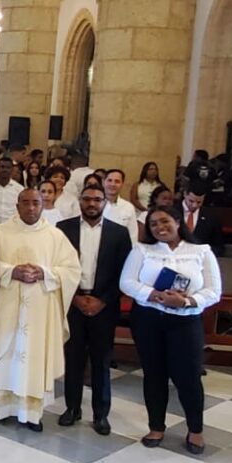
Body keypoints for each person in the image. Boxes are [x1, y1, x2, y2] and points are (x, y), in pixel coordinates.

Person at [122, 206, 222, 454]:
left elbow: (214, 291)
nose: (159, 227)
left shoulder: (201, 251)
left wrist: (187, 302)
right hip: (149, 319)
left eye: (164, 221)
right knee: (154, 374)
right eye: (153, 224)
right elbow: (127, 282)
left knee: (188, 377)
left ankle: (195, 430)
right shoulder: (142, 250)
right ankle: (156, 426)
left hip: (185, 322)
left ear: (178, 222)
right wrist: (153, 295)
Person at [0, 189, 81, 430]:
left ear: (43, 205)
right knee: (4, 354)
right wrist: (11, 271)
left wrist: (44, 273)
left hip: (39, 311)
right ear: (17, 206)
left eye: (36, 203)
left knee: (33, 359)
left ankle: (31, 413)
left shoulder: (55, 236)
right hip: (6, 308)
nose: (31, 208)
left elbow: (72, 270)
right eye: (25, 203)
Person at [55, 184, 132, 435]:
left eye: (97, 200)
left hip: (104, 305)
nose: (92, 204)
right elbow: (57, 267)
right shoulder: (63, 229)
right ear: (79, 201)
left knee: (101, 360)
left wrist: (103, 300)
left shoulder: (119, 234)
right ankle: (72, 408)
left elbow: (124, 273)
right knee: (74, 358)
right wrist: (75, 297)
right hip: (73, 303)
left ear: (104, 203)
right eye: (87, 199)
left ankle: (101, 414)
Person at [101, 169, 141, 244]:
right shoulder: (95, 204)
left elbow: (133, 235)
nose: (113, 184)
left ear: (122, 184)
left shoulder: (128, 207)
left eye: (117, 181)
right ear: (103, 182)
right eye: (109, 180)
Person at [179, 187, 224, 255]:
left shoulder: (211, 216)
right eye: (191, 201)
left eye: (199, 202)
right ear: (185, 194)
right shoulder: (171, 211)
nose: (194, 205)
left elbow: (218, 245)